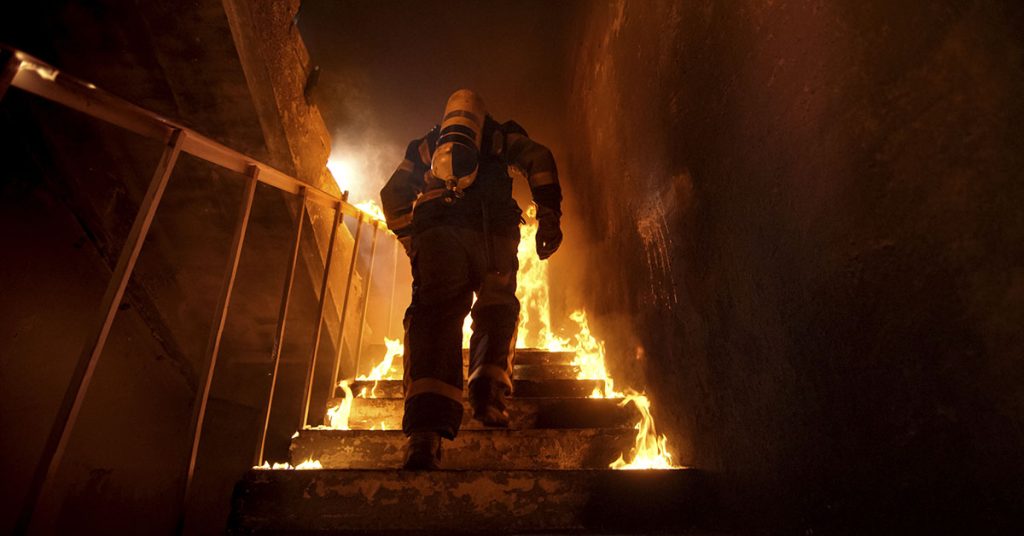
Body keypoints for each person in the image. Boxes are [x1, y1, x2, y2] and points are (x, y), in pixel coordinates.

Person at [380, 89, 562, 469]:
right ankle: (488, 393)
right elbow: (540, 159)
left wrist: (412, 241)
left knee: (434, 320)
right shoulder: (501, 136)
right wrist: (548, 216)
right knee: (497, 308)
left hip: (438, 238)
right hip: (492, 235)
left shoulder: (427, 145)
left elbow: (394, 193)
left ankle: (425, 437)